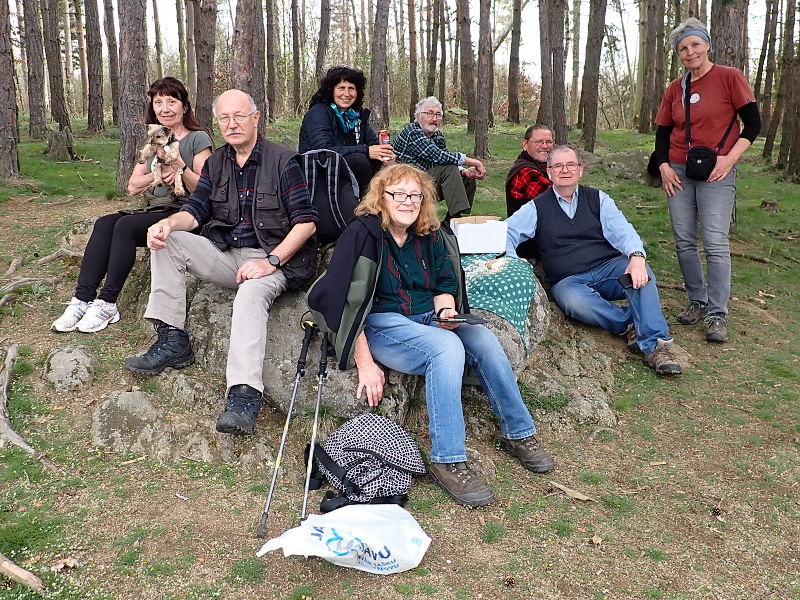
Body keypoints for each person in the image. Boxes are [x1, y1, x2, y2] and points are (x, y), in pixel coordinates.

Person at [307, 163, 554, 508]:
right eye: (399, 194)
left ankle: (519, 433)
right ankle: (447, 458)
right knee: (447, 347)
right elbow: (339, 301)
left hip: (426, 316)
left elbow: (444, 283)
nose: (407, 201)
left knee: (483, 340)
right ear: (382, 197)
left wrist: (445, 312)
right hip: (384, 323)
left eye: (415, 195)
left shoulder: (431, 234)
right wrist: (364, 362)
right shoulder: (362, 233)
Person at [123, 89, 318, 436]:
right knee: (169, 242)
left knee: (250, 295)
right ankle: (172, 339)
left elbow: (306, 223)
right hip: (228, 255)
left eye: (239, 116)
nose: (232, 124)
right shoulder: (216, 163)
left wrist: (271, 261)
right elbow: (195, 211)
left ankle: (244, 395)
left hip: (274, 260)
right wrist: (167, 224)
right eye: (225, 118)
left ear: (255, 118)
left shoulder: (284, 161)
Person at [51, 77, 213, 333]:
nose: (165, 108)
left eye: (172, 101)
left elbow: (206, 188)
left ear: (185, 106)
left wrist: (179, 165)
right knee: (105, 223)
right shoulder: (154, 140)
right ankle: (81, 299)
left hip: (186, 213)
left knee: (125, 226)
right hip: (154, 209)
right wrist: (158, 173)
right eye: (159, 102)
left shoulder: (198, 139)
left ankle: (107, 302)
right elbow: (133, 186)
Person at [505, 145, 682, 376]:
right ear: (549, 172)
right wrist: (513, 258)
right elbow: (506, 233)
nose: (564, 170)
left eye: (571, 165)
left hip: (608, 268)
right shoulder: (537, 207)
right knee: (573, 302)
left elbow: (623, 232)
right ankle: (630, 323)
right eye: (557, 165)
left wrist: (637, 257)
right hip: (569, 280)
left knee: (642, 275)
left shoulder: (598, 199)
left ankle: (657, 347)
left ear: (581, 170)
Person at [655, 18, 761, 343]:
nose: (690, 52)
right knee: (684, 240)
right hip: (678, 169)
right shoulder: (676, 88)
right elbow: (661, 133)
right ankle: (697, 301)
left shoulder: (730, 77)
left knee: (715, 241)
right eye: (683, 48)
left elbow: (753, 125)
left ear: (707, 45)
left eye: (695, 44)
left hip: (718, 170)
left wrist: (730, 159)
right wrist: (663, 166)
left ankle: (717, 314)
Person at [298, 65, 395, 193]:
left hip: (347, 171)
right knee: (360, 160)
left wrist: (386, 154)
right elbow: (322, 150)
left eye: (351, 88)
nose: (347, 94)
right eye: (341, 88)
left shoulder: (355, 115)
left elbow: (373, 144)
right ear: (331, 90)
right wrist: (366, 150)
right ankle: (364, 205)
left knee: (391, 163)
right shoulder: (318, 113)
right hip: (319, 173)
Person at [392, 97, 486, 220]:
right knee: (450, 170)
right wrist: (474, 162)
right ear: (419, 116)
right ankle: (454, 220)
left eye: (438, 115)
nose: (434, 119)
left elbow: (445, 158)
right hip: (406, 183)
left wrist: (464, 171)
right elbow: (437, 155)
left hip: (425, 180)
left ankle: (455, 220)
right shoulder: (413, 132)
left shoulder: (437, 136)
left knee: (466, 177)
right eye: (430, 114)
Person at [505, 124, 554, 258]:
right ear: (525, 144)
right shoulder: (525, 172)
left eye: (549, 142)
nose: (545, 146)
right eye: (539, 142)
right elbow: (557, 200)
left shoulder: (545, 167)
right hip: (532, 246)